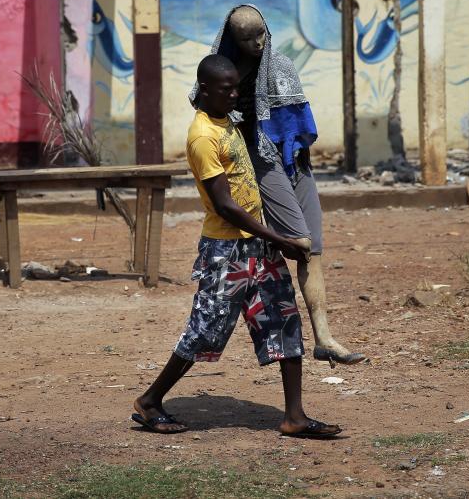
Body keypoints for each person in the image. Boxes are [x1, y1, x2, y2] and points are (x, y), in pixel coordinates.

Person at [132, 54, 342, 438]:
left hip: (259, 247)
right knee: (205, 330)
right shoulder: (202, 136)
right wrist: (280, 239)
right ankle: (149, 401)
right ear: (205, 89)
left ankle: (294, 416)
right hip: (226, 252)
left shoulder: (228, 121)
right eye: (225, 89)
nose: (234, 94)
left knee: (284, 322)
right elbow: (226, 206)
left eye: (236, 87)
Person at [190, 4, 364, 367]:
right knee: (298, 242)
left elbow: (297, 119)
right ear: (232, 39)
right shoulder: (223, 75)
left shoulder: (282, 66)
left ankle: (324, 337)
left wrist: (299, 156)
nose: (257, 43)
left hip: (293, 158)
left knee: (313, 247)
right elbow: (215, 123)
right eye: (247, 38)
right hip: (259, 161)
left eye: (261, 35)